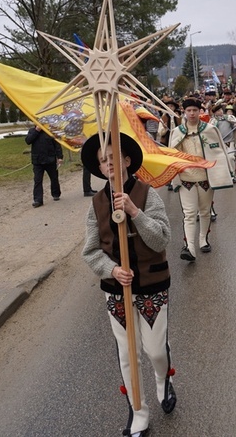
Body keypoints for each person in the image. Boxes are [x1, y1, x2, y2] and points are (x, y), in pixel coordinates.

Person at [81, 133, 176, 437]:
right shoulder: (96, 204)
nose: (108, 164)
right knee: (127, 354)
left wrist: (135, 213)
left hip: (152, 285)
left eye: (113, 158)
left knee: (155, 350)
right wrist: (112, 269)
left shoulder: (148, 194)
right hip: (117, 291)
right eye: (102, 161)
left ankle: (163, 380)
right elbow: (91, 252)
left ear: (126, 160)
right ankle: (138, 412)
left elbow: (161, 238)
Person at [169, 97, 233, 262]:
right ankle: (189, 248)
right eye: (188, 110)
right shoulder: (177, 132)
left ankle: (203, 240)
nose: (191, 113)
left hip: (206, 178)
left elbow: (220, 151)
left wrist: (225, 171)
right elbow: (171, 157)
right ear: (184, 112)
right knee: (189, 214)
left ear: (200, 111)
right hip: (186, 179)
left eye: (195, 110)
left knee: (204, 211)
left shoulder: (210, 130)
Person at [25, 125, 63, 207]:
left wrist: (60, 157)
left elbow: (57, 144)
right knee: (37, 180)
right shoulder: (32, 131)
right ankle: (38, 200)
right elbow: (28, 141)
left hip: (50, 160)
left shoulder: (50, 131)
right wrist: (36, 131)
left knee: (54, 178)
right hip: (37, 161)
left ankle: (56, 194)